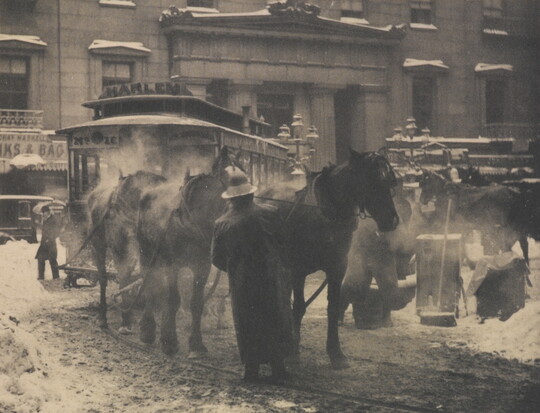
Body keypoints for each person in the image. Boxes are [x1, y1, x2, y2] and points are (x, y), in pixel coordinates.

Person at [211, 166, 293, 382]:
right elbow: (285, 242)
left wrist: (237, 268)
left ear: (231, 198)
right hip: (271, 276)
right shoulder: (270, 213)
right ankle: (278, 367)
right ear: (250, 193)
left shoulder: (222, 223)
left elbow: (216, 258)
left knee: (247, 321)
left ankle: (251, 369)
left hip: (242, 281)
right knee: (274, 317)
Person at [35, 206, 61, 280]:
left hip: (51, 243)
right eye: (42, 213)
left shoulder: (53, 220)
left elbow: (56, 231)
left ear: (48, 212)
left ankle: (56, 277)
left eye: (44, 213)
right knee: (40, 258)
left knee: (52, 260)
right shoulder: (46, 220)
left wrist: (50, 238)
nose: (43, 214)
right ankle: (41, 276)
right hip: (44, 243)